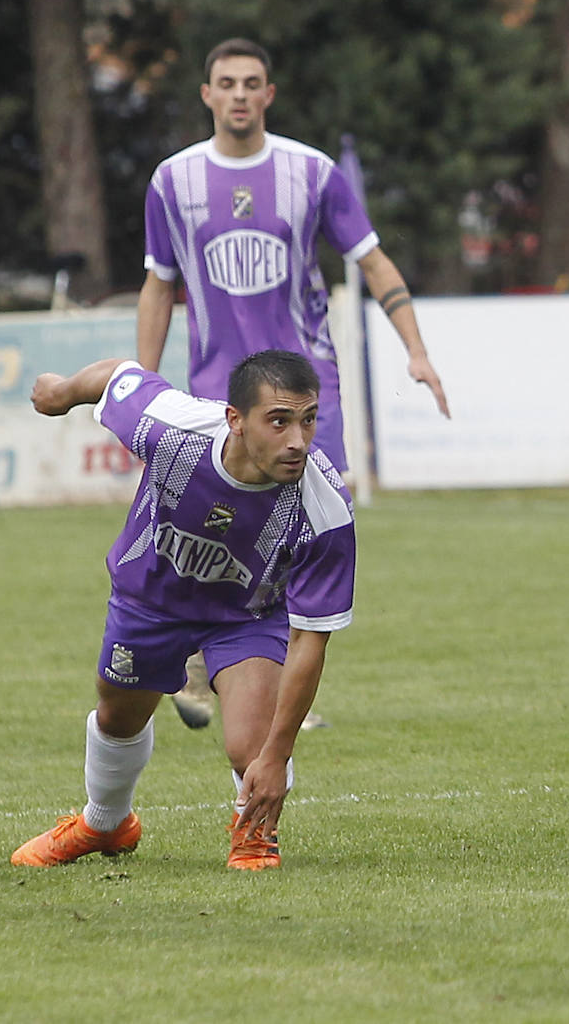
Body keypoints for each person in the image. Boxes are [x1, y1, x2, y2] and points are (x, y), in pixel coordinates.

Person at [137, 38, 447, 729]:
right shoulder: (172, 181)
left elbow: (372, 261)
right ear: (207, 94)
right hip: (217, 393)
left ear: (269, 94)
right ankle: (199, 660)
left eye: (252, 82)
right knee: (208, 528)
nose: (240, 93)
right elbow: (159, 284)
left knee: (306, 529)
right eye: (227, 82)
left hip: (310, 392)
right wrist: (146, 383)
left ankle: (264, 685)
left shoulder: (312, 172)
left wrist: (416, 350)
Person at [10, 350, 355, 871]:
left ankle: (255, 838)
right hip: (151, 597)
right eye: (278, 421)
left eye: (308, 420)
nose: (297, 441)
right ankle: (105, 824)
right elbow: (117, 376)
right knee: (117, 715)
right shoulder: (174, 429)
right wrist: (63, 392)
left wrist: (277, 755)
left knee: (252, 745)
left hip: (248, 614)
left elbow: (311, 641)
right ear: (234, 420)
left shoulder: (324, 506)